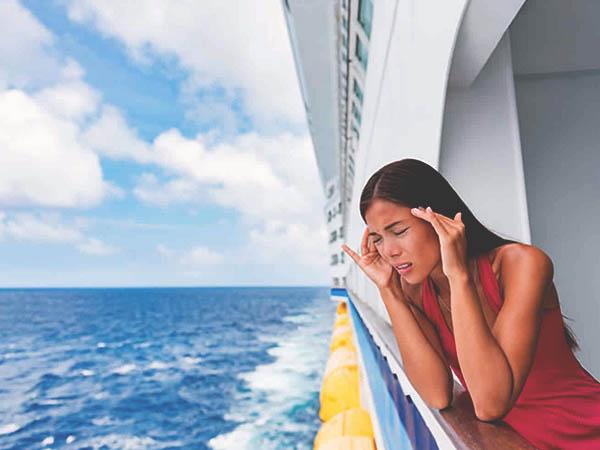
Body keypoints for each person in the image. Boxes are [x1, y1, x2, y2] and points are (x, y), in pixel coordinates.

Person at [341, 158, 600, 450]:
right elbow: (437, 393)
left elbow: (490, 404)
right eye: (376, 239)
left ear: (439, 218)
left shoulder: (521, 264)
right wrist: (388, 290)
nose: (389, 251)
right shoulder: (413, 292)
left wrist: (458, 276)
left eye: (399, 231)